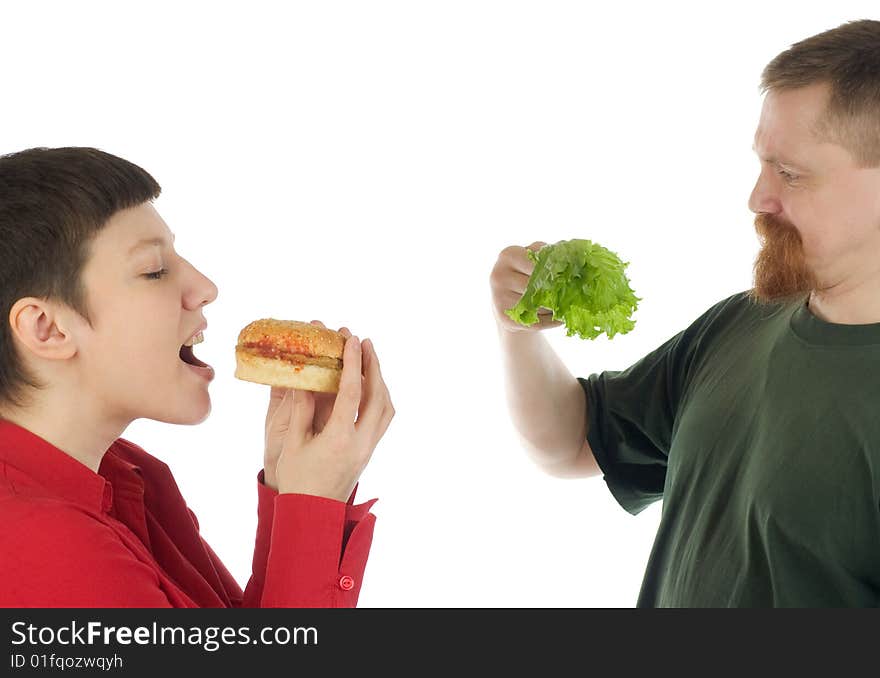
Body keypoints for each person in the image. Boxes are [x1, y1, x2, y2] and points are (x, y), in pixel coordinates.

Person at [489, 19, 880, 607]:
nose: (757, 199)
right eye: (763, 164)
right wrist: (516, 333)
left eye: (791, 174)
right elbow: (569, 444)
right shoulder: (743, 323)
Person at [0, 146, 395, 607]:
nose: (205, 288)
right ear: (47, 328)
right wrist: (314, 505)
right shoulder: (40, 543)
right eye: (153, 271)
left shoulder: (130, 474)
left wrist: (291, 494)